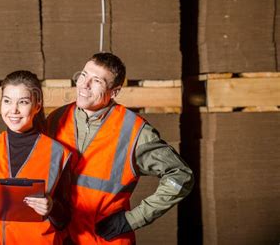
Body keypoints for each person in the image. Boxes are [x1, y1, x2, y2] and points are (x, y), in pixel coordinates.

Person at [46, 53, 194, 244]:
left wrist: (132, 219)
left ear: (114, 92)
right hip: (61, 237)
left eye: (96, 80)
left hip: (104, 240)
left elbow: (181, 175)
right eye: (83, 75)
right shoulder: (57, 118)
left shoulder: (134, 131)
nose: (84, 84)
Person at [0, 70, 72, 244]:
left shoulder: (58, 153)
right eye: (7, 101)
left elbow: (65, 220)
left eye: (23, 102)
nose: (13, 110)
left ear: (37, 105)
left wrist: (51, 206)